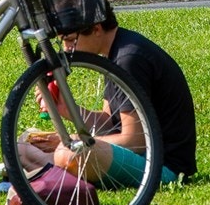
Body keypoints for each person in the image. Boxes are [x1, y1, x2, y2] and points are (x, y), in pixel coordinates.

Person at [17, 17, 196, 183]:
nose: (66, 48)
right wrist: (67, 109)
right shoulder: (115, 52)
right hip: (133, 153)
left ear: (96, 28)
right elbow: (110, 122)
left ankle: (46, 170)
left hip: (161, 166)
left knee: (69, 154)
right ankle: (48, 169)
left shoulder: (128, 59)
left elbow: (136, 141)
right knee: (23, 145)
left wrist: (74, 139)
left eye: (71, 39)